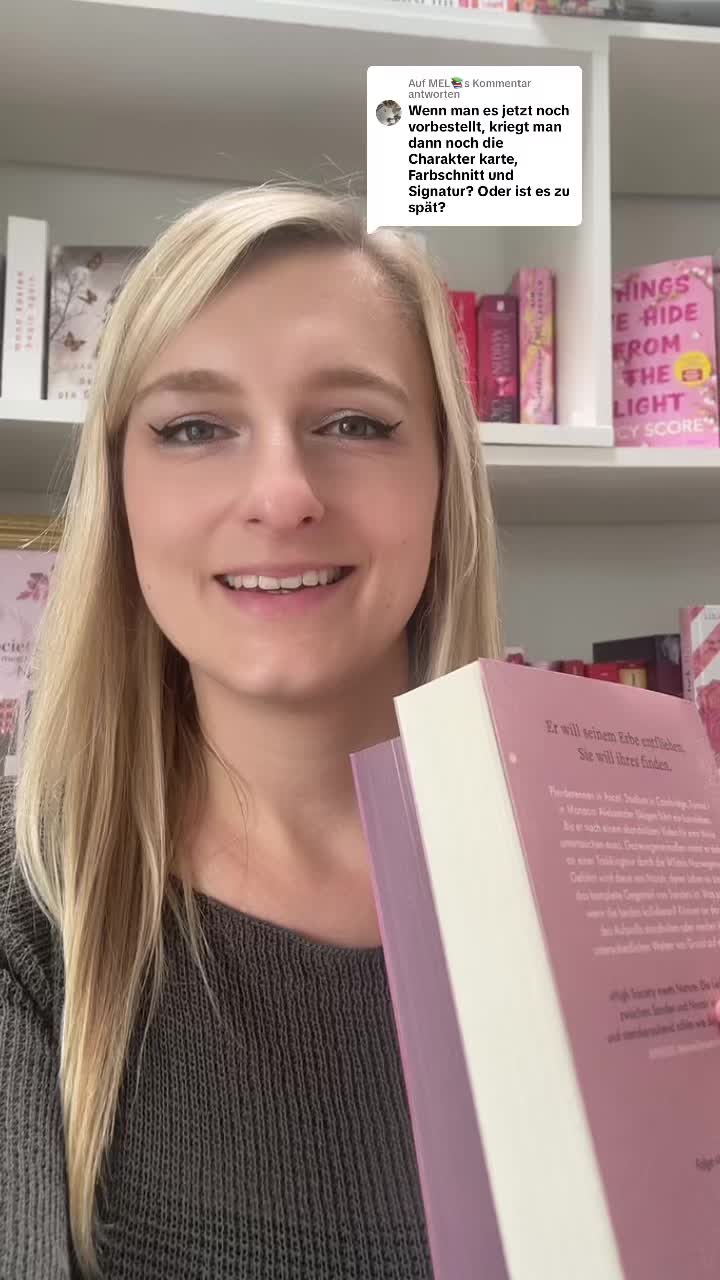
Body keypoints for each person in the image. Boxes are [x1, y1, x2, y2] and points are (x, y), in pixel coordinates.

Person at [0, 182, 501, 1280]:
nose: (283, 494)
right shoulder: (29, 899)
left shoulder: (603, 875)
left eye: (355, 423)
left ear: (444, 481)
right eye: (194, 428)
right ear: (120, 492)